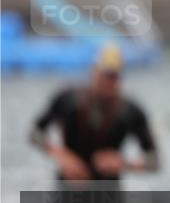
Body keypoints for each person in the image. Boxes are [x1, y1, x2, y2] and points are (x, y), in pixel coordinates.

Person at [29, 43, 158, 183]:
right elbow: (35, 134)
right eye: (105, 75)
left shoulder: (131, 111)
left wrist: (122, 163)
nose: (108, 82)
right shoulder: (67, 99)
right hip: (68, 188)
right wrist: (62, 156)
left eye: (114, 76)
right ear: (94, 71)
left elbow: (154, 162)